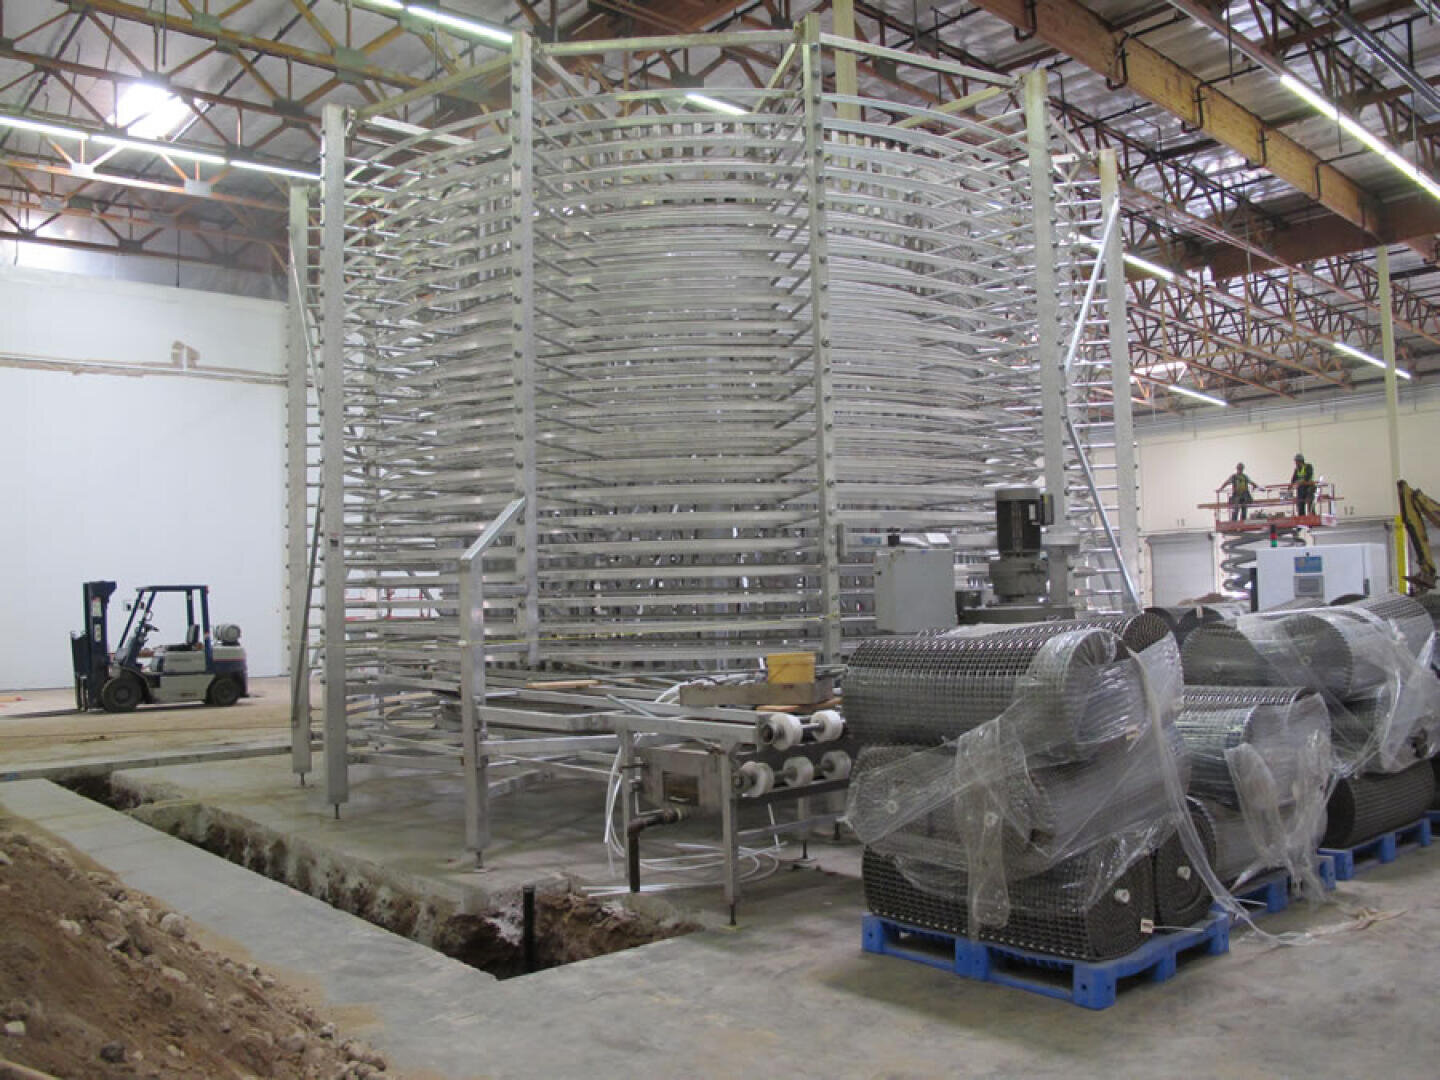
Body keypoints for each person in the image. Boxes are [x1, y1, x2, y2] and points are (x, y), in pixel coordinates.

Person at [1291, 453, 1316, 517]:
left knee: (1309, 502)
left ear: (1300, 461)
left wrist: (1299, 482)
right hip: (1301, 488)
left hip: (1309, 487)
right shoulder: (1297, 469)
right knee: (1300, 503)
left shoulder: (1308, 467)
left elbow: (1307, 477)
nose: (1295, 463)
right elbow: (1293, 480)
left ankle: (1311, 517)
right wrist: (1291, 486)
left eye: (1296, 461)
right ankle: (1302, 518)